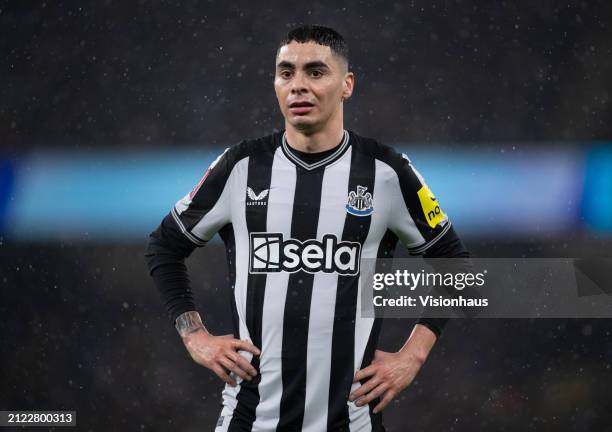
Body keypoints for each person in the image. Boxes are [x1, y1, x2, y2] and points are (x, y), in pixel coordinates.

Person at [145, 25, 469, 432]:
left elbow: (455, 264)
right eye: (286, 73)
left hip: (351, 421)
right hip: (249, 420)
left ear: (346, 84)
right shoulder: (240, 167)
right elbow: (163, 248)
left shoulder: (386, 173)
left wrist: (413, 354)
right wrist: (195, 336)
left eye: (316, 72)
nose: (298, 85)